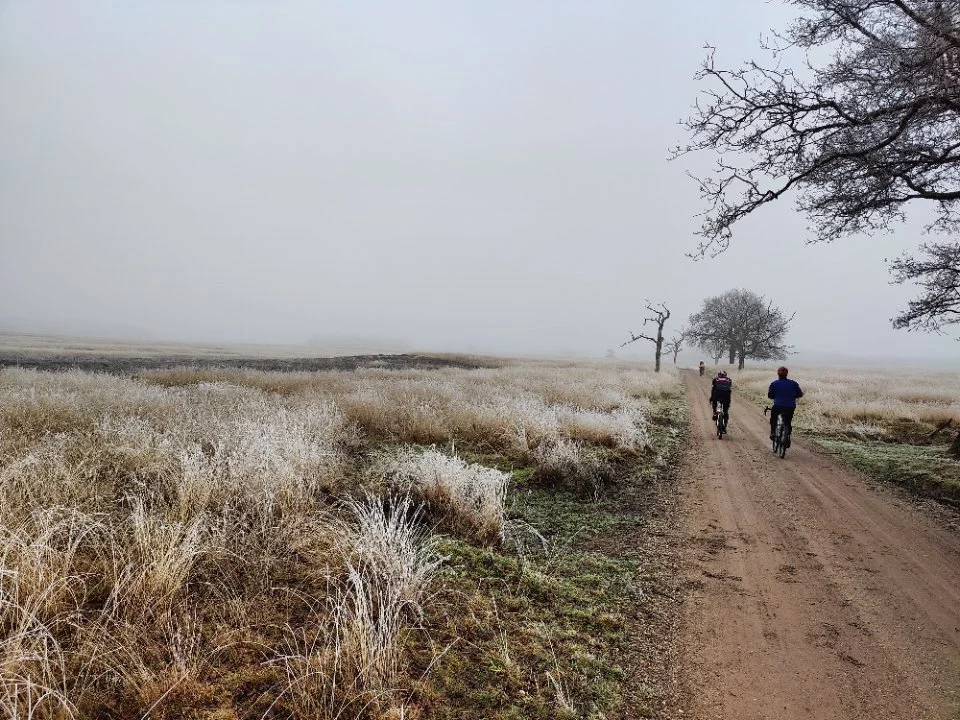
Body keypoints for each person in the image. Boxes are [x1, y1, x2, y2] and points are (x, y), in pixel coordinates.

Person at [768, 366, 804, 446]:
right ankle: (787, 436)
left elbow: (770, 395)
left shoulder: (774, 383)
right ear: (787, 374)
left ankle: (773, 433)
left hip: (778, 406)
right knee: (788, 421)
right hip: (790, 406)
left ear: (778, 374)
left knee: (774, 419)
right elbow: (800, 394)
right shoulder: (794, 383)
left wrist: (776, 396)